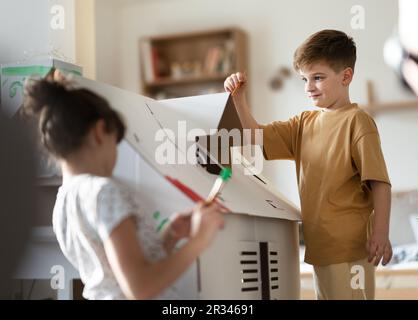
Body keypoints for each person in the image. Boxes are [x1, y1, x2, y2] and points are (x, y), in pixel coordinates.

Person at [22, 70, 226, 300]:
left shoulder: (63, 203)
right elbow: (141, 287)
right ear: (100, 132)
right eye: (115, 143)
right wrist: (200, 241)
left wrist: (169, 238)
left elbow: (116, 273)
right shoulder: (104, 192)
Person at [225, 30, 392, 300]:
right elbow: (255, 136)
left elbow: (380, 182)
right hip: (321, 247)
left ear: (346, 76)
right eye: (304, 79)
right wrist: (238, 100)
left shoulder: (358, 122)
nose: (309, 87)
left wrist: (382, 234)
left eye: (318, 78)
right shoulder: (303, 124)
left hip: (350, 247)